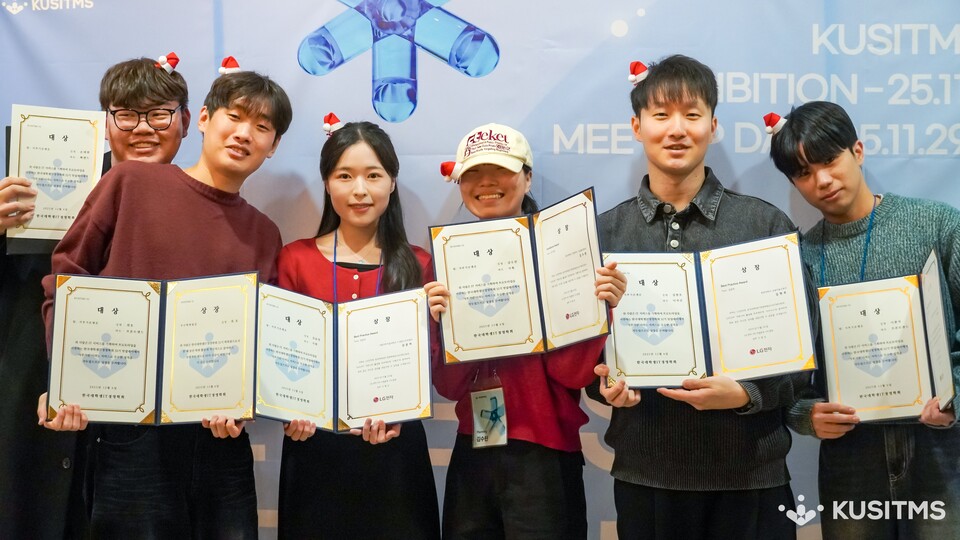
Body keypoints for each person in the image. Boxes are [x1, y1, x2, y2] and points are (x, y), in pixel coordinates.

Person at [37, 67, 291, 539]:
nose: (244, 134)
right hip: (130, 432)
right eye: (235, 117)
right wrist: (65, 377)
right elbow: (67, 277)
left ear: (273, 145)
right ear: (204, 119)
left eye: (261, 127)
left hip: (220, 439)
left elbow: (260, 338)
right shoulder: (131, 181)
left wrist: (243, 406)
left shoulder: (265, 232)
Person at [588, 54, 813, 540]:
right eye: (661, 115)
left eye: (692, 115)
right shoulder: (603, 234)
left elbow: (802, 359)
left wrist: (749, 394)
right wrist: (603, 385)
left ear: (712, 126)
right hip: (646, 475)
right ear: (637, 126)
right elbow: (584, 358)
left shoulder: (764, 226)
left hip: (752, 475)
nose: (677, 129)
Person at [0, 55, 189, 539]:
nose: (142, 128)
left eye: (159, 114)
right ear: (105, 123)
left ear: (185, 123)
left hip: (144, 430)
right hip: (37, 397)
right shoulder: (41, 191)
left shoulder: (195, 203)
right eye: (126, 114)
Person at [425, 122, 627, 539]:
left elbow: (573, 374)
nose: (486, 183)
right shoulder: (444, 264)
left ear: (527, 177)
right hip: (474, 446)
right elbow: (449, 385)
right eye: (473, 174)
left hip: (544, 454)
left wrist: (594, 305)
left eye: (500, 170)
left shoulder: (565, 252)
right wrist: (438, 321)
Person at [769, 100, 960, 539]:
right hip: (850, 457)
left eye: (829, 160)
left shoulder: (937, 226)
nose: (822, 180)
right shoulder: (797, 259)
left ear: (857, 151)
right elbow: (785, 373)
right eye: (803, 173)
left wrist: (956, 397)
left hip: (941, 448)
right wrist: (805, 414)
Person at [275, 118, 441, 539]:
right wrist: (289, 414)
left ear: (393, 182)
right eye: (345, 176)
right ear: (327, 183)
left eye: (374, 176)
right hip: (314, 452)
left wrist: (399, 413)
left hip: (395, 453)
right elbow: (279, 358)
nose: (360, 190)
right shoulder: (295, 259)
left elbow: (431, 364)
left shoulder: (420, 264)